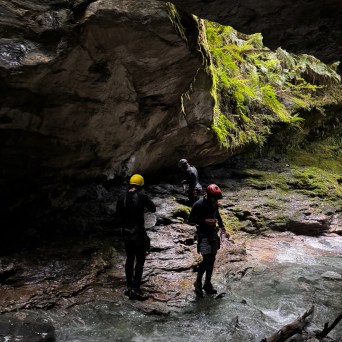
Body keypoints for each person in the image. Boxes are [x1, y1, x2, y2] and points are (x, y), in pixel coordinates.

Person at [116, 174, 156, 300]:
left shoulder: (122, 197)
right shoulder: (142, 195)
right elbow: (153, 209)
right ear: (140, 185)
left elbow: (118, 216)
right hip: (138, 233)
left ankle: (129, 286)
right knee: (140, 261)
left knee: (129, 259)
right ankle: (135, 288)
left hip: (126, 233)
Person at [188, 184, 229, 297]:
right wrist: (204, 221)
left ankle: (207, 283)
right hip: (203, 235)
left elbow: (218, 215)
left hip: (213, 234)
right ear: (208, 195)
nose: (215, 200)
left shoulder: (214, 203)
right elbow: (191, 220)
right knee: (206, 259)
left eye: (217, 198)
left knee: (212, 259)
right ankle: (198, 283)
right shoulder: (198, 204)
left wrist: (222, 227)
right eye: (214, 198)